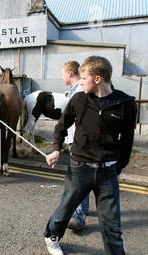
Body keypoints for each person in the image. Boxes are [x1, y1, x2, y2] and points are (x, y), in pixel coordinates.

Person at [44, 56, 148, 255]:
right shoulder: (79, 99)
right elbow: (61, 126)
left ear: (98, 79)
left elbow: (127, 143)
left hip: (107, 173)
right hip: (79, 168)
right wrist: (55, 149)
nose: (80, 82)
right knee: (66, 209)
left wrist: (117, 167)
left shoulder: (125, 104)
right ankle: (51, 235)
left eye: (83, 78)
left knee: (112, 226)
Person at [61, 61, 89, 231]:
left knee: (78, 180)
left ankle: (78, 217)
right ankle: (83, 209)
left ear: (70, 73)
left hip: (79, 143)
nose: (62, 77)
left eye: (63, 73)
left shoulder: (79, 91)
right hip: (76, 141)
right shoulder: (75, 90)